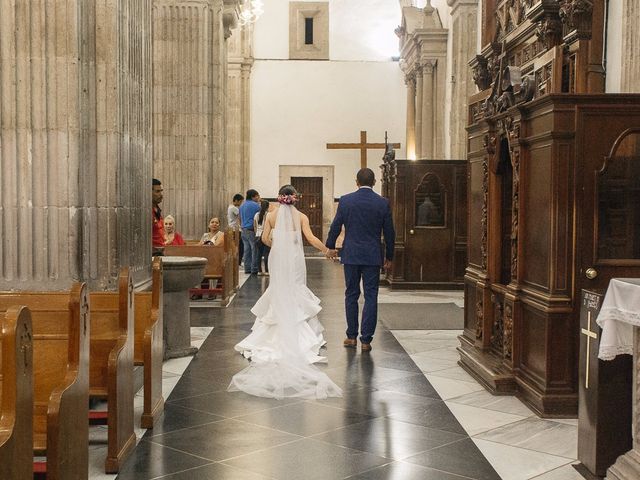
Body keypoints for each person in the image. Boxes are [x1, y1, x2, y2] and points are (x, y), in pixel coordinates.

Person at [228, 185, 342, 400]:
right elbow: (310, 238)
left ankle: (273, 330)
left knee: (278, 288)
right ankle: (300, 331)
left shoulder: (271, 215)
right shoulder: (301, 216)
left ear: (280, 198)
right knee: (296, 289)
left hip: (278, 259)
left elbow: (263, 239)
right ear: (295, 199)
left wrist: (277, 246)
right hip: (295, 260)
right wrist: (327, 250)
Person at [325, 168, 395, 352]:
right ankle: (366, 340)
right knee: (371, 295)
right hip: (372, 255)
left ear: (356, 181)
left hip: (352, 254)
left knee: (351, 294)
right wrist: (390, 256)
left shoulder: (346, 200)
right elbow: (389, 232)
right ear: (374, 183)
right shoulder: (382, 203)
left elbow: (336, 225)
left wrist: (330, 246)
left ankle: (351, 336)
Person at [239, 189, 261, 274]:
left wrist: (242, 226)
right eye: (257, 196)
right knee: (254, 249)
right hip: (251, 230)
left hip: (243, 229)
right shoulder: (256, 205)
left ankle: (247, 268)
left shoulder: (242, 205)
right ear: (253, 196)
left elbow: (239, 218)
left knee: (246, 250)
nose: (258, 198)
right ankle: (254, 268)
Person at [254, 200, 271, 275]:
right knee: (267, 253)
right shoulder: (269, 215)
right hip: (266, 235)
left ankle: (259, 271)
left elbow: (254, 225)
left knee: (259, 254)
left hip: (258, 234)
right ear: (268, 207)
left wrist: (256, 233)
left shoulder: (256, 214)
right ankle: (267, 271)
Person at [228, 193, 245, 265]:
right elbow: (241, 215)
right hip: (235, 230)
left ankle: (237, 261)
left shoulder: (230, 207)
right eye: (241, 201)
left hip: (232, 228)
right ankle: (238, 262)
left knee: (236, 246)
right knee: (240, 246)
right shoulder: (234, 208)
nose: (241, 203)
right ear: (236, 200)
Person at [152, 178, 165, 255]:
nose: (160, 195)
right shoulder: (146, 211)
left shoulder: (157, 210)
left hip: (160, 251)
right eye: (157, 191)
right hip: (151, 253)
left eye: (161, 191)